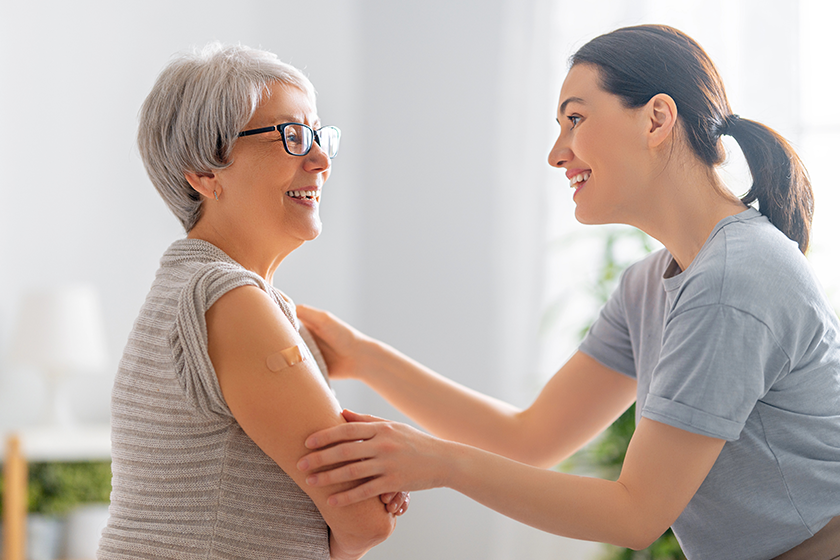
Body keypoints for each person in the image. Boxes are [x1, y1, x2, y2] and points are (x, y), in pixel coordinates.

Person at [295, 24, 840, 560]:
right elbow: (528, 438)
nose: (557, 154)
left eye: (575, 119)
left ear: (656, 119)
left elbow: (635, 514)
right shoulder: (648, 286)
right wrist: (360, 357)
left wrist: (438, 462)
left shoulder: (733, 280)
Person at [97, 43, 407, 560]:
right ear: (204, 173)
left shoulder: (200, 292)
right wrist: (363, 503)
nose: (321, 159)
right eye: (290, 136)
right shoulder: (230, 299)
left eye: (317, 134)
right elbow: (366, 522)